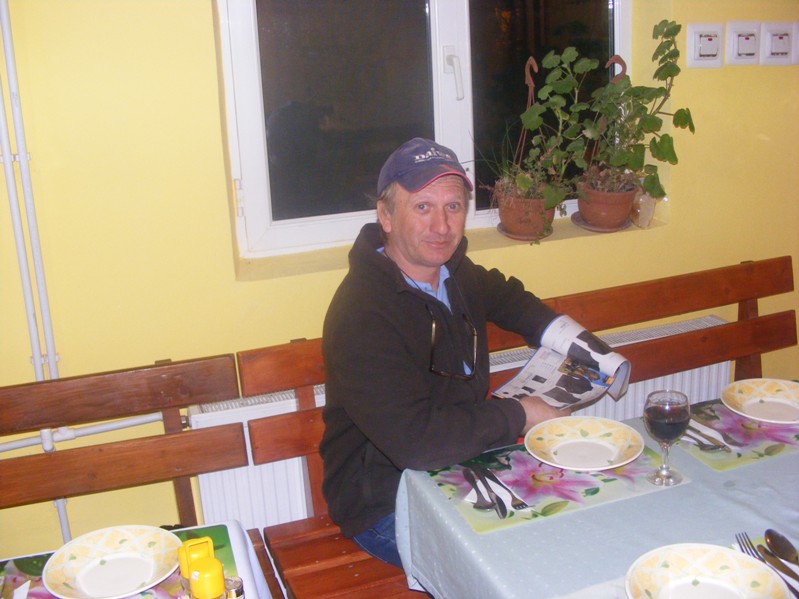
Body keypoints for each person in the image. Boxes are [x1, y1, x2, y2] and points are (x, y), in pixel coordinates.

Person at [320, 137, 568, 568]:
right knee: (520, 565)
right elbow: (416, 443)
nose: (442, 226)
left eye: (453, 207)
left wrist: (577, 343)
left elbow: (508, 298)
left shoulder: (454, 272)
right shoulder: (362, 313)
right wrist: (520, 413)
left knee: (577, 523)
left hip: (463, 468)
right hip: (387, 501)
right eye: (423, 207)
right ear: (386, 216)